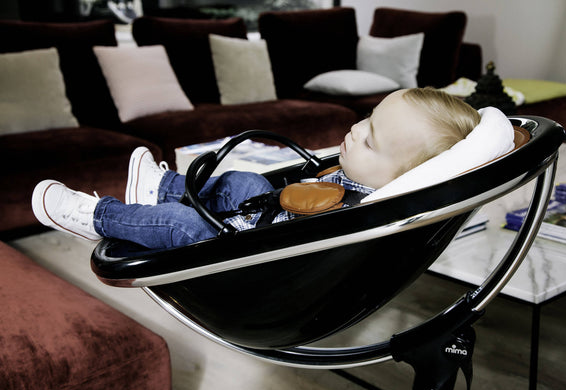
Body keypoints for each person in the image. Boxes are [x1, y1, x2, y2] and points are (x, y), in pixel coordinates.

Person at [31, 87, 481, 249]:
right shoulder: (360, 176)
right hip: (262, 216)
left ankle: (96, 217)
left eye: (371, 139)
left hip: (243, 254)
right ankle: (162, 186)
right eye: (369, 117)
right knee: (244, 181)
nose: (356, 128)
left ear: (399, 179)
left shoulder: (367, 215)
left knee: (184, 226)